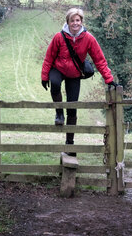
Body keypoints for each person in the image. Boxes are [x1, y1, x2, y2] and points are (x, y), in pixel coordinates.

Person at [41, 8, 117, 156]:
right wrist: (44, 77)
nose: (75, 23)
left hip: (74, 74)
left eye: (78, 20)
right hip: (59, 69)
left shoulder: (88, 38)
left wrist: (109, 79)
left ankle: (70, 144)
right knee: (55, 84)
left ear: (81, 22)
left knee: (73, 108)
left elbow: (99, 60)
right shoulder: (59, 37)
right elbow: (49, 57)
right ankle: (58, 113)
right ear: (68, 22)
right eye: (72, 20)